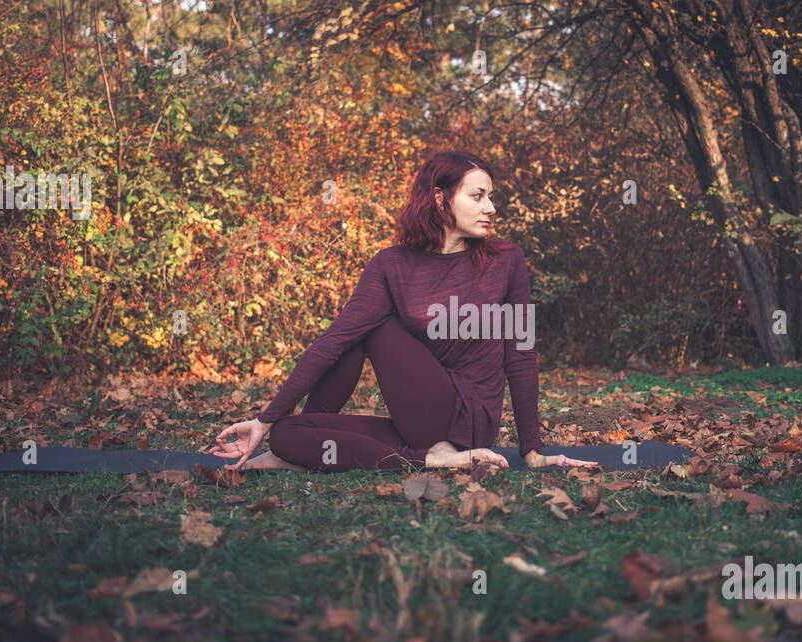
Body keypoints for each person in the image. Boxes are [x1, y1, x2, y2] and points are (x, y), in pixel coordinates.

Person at [212, 151, 598, 472]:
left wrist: (532, 451)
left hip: (470, 417)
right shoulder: (392, 264)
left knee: (374, 327)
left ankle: (438, 454)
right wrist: (266, 420)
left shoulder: (506, 261)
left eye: (490, 197)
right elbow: (334, 342)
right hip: (418, 422)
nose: (491, 208)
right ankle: (420, 456)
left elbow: (521, 354)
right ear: (440, 199)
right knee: (287, 433)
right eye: (478, 196)